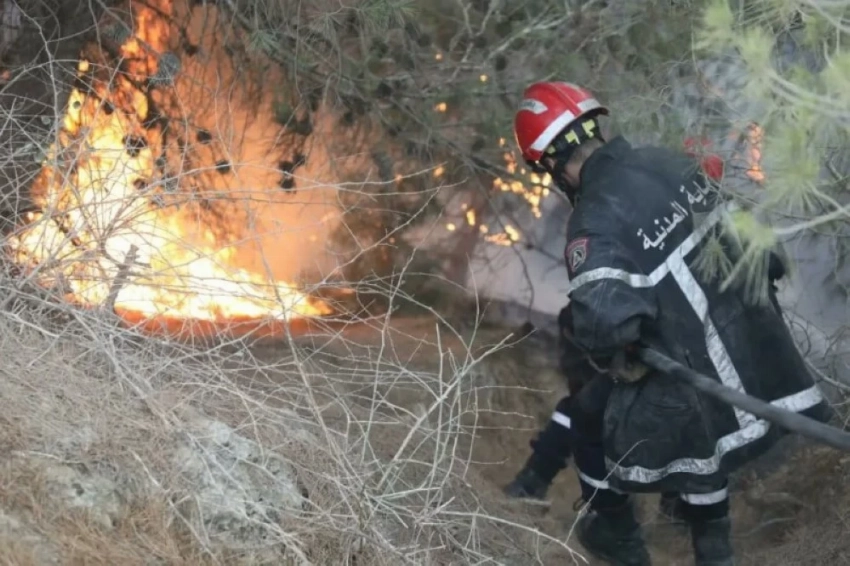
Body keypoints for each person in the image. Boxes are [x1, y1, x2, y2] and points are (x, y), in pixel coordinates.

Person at [506, 81, 833, 566]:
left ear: (551, 163)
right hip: (758, 357)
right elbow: (765, 253)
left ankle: (616, 534)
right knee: (700, 427)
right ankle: (712, 550)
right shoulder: (672, 163)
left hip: (693, 382)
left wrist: (624, 357)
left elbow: (605, 330)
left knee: (592, 412)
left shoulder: (594, 219)